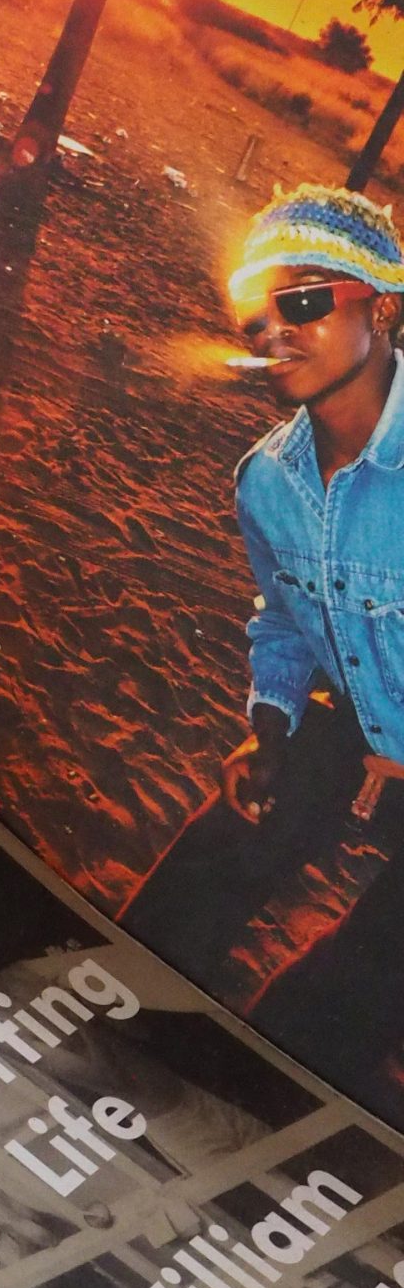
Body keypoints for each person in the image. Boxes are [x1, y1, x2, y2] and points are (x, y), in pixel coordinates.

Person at [121, 185, 404, 1117]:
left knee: (337, 1010)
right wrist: (272, 725)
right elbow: (286, 623)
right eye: (261, 310)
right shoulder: (268, 482)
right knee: (182, 901)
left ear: (382, 308)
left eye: (308, 300)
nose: (276, 328)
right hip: (355, 718)